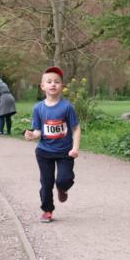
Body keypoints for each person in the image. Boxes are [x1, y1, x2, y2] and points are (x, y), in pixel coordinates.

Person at [25, 67, 81, 223]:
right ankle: (47, 210)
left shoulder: (67, 107)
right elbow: (38, 131)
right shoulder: (38, 108)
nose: (53, 84)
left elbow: (76, 129)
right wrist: (32, 135)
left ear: (61, 86)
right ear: (42, 86)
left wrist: (75, 148)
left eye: (57, 82)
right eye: (49, 82)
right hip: (44, 152)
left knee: (64, 179)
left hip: (65, 152)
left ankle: (62, 188)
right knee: (46, 183)